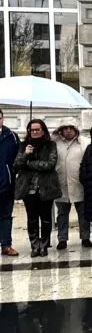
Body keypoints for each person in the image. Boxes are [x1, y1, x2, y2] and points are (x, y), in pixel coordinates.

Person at [14, 119, 60, 257]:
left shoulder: (51, 145)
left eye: (37, 130)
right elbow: (16, 165)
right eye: (31, 130)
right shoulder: (24, 146)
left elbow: (50, 164)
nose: (34, 132)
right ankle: (35, 245)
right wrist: (25, 155)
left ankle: (44, 245)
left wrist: (30, 163)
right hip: (28, 189)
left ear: (43, 130)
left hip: (46, 187)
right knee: (32, 218)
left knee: (46, 218)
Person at [53, 124, 90, 250]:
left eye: (71, 128)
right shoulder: (55, 143)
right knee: (62, 214)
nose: (68, 131)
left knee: (84, 213)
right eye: (65, 128)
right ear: (61, 130)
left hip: (79, 184)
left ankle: (85, 237)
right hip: (61, 184)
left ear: (76, 129)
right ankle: (62, 239)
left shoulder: (84, 142)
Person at [0, 108, 20, 256]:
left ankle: (6, 245)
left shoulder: (12, 136)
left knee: (6, 216)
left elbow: (18, 160)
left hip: (6, 184)